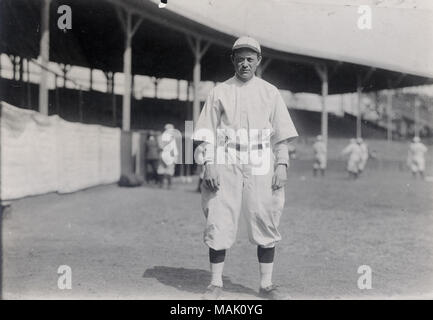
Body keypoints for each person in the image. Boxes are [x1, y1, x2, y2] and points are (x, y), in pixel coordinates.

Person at [193, 36, 298, 300]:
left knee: (265, 217)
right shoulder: (219, 91)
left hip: (261, 160)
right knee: (219, 217)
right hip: (226, 158)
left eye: (250, 59)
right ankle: (215, 283)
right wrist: (208, 164)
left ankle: (265, 285)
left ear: (258, 61)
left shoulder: (270, 92)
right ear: (233, 60)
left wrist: (282, 164)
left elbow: (280, 135)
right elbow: (205, 133)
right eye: (240, 59)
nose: (245, 64)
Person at [157, 124, 179, 189]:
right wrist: (175, 158)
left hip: (163, 154)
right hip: (167, 155)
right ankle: (167, 184)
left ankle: (163, 184)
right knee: (168, 170)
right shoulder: (170, 138)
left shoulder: (160, 137)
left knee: (162, 170)